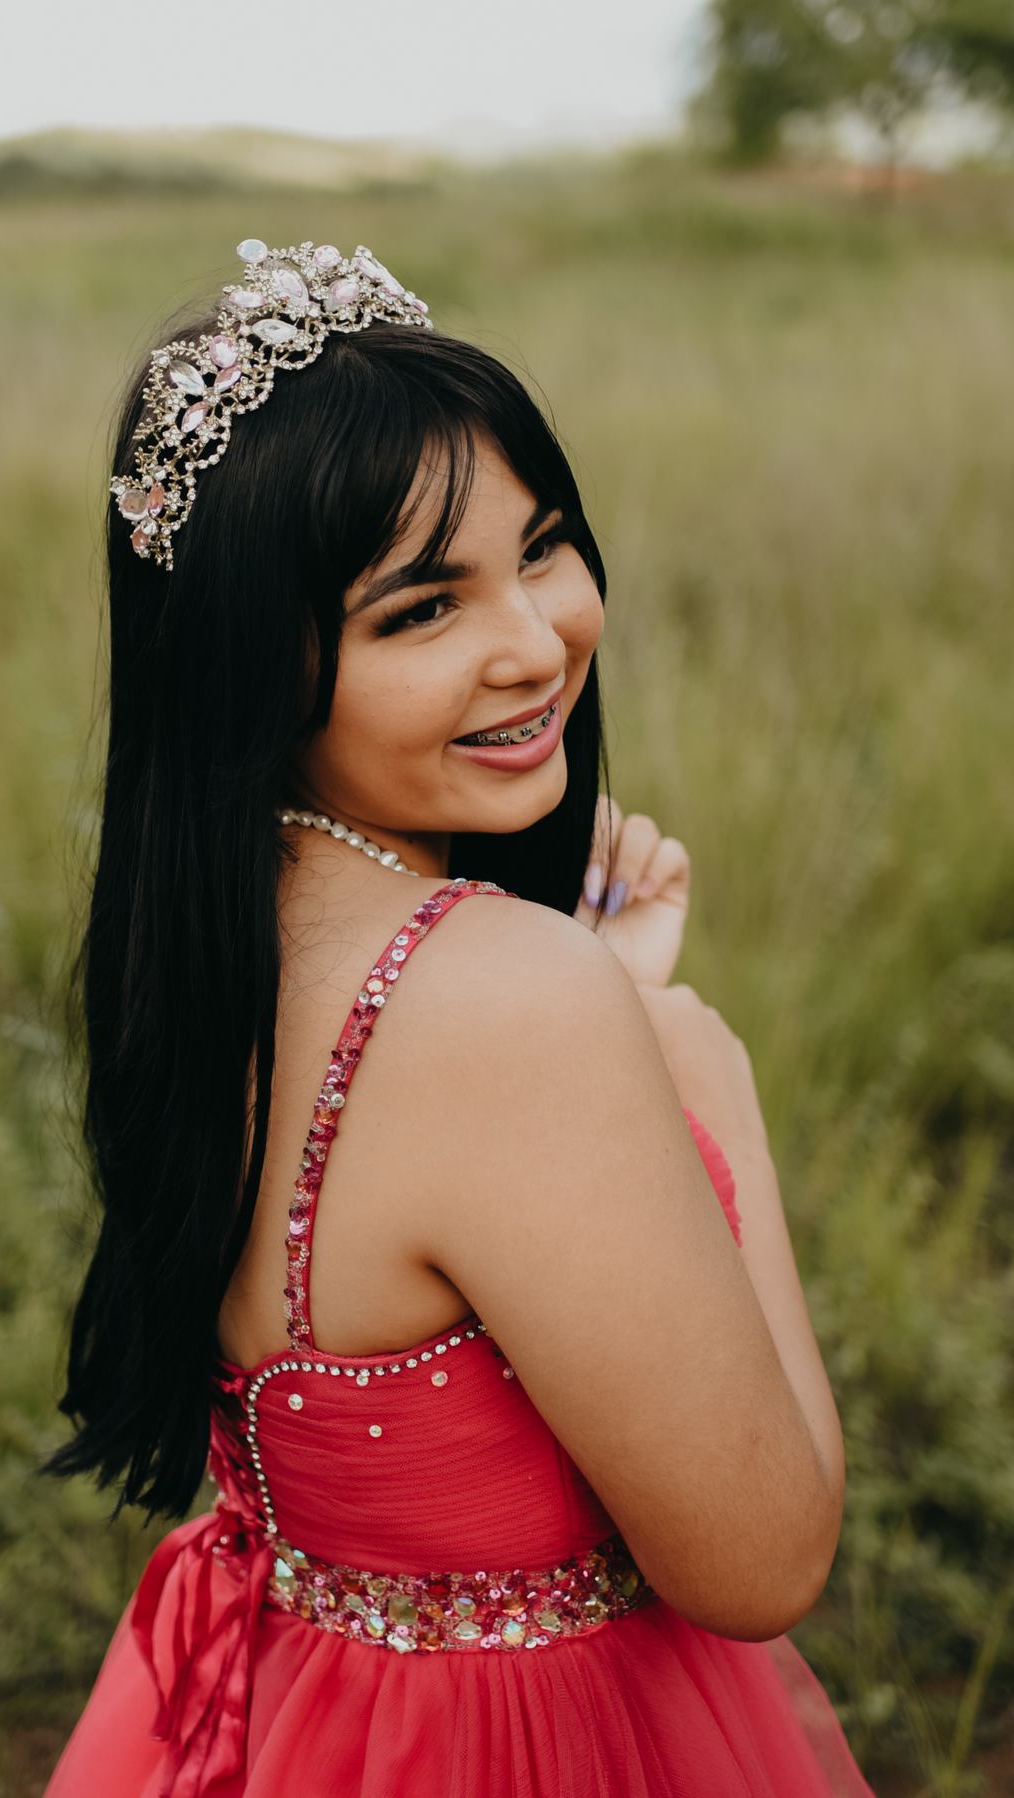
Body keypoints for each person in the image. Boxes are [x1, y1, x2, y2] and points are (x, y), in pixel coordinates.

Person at [44, 240, 873, 1797]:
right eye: (423, 607)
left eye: (543, 548)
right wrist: (700, 1074)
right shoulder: (504, 999)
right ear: (254, 665)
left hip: (299, 1720)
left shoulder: (217, 939)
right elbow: (762, 1560)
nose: (537, 641)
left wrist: (604, 1002)